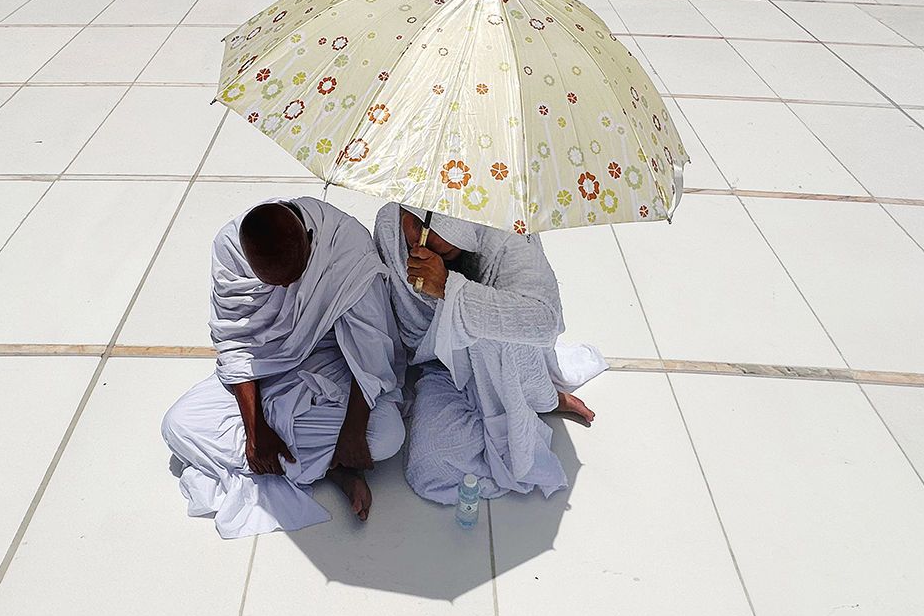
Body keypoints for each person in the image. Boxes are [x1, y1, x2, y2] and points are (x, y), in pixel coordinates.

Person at [161, 198, 405, 539]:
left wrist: (352, 431)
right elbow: (235, 342)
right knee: (178, 425)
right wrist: (256, 430)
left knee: (387, 436)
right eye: (274, 284)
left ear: (309, 238)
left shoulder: (347, 245)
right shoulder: (230, 250)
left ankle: (303, 464)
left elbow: (372, 351)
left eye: (294, 278)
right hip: (266, 364)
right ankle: (331, 469)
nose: (288, 291)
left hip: (330, 357)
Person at [373, 203, 604, 505]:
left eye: (429, 226)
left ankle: (541, 397)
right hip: (439, 367)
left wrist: (448, 288)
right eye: (411, 221)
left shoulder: (509, 235)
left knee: (498, 334)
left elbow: (545, 320)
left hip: (504, 365)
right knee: (431, 469)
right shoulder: (391, 225)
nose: (415, 238)